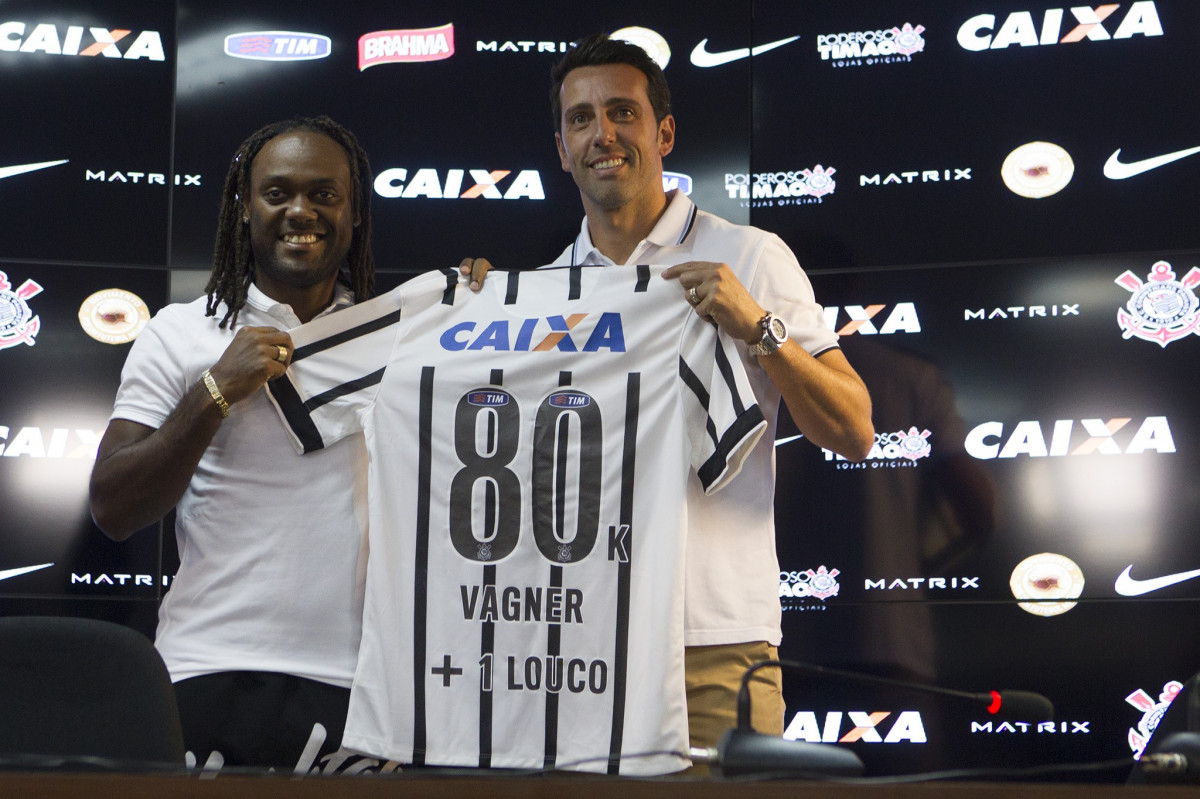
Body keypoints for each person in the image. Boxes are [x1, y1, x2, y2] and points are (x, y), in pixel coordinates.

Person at [87, 116, 493, 771]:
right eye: (277, 193)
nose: (300, 210)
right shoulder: (180, 332)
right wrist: (215, 391)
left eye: (324, 194)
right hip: (205, 667)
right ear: (244, 208)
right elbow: (114, 504)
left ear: (354, 214)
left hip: (361, 684)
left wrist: (489, 308)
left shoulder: (406, 338)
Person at [542, 34, 875, 754]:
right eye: (581, 119)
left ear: (663, 132)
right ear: (562, 148)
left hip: (716, 644)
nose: (602, 133)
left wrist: (756, 325)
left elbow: (853, 428)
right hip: (574, 644)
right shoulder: (539, 293)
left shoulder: (750, 256)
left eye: (622, 112)